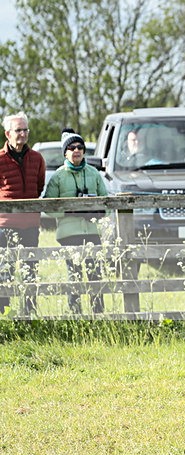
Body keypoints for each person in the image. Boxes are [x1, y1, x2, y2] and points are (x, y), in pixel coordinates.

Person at [44, 129, 108, 314]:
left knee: (96, 275)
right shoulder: (58, 176)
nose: (76, 150)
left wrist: (96, 212)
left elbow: (107, 202)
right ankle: (75, 315)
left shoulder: (94, 173)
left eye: (80, 147)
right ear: (65, 152)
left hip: (93, 231)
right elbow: (48, 208)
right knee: (75, 276)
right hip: (69, 233)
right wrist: (69, 211)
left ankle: (99, 314)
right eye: (71, 147)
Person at [0, 112, 46, 314]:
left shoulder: (37, 158)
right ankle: (4, 317)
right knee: (4, 274)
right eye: (18, 130)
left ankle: (29, 315)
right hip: (4, 226)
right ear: (7, 133)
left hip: (30, 226)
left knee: (30, 272)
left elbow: (39, 186)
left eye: (25, 129)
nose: (23, 134)